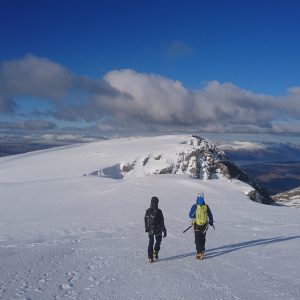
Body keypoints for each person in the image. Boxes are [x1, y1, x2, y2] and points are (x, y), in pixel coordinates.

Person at [189, 192, 214, 260]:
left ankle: (201, 250)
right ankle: (199, 251)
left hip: (201, 225)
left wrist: (211, 221)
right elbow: (210, 215)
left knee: (200, 238)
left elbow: (190, 215)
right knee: (200, 238)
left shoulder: (198, 206)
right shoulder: (199, 206)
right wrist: (211, 222)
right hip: (201, 225)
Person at [144, 196, 167, 263]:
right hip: (154, 229)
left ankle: (153, 255)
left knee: (154, 242)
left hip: (154, 229)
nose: (155, 203)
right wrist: (164, 230)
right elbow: (146, 220)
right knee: (154, 242)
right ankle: (153, 255)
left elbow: (161, 221)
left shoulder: (154, 211)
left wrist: (146, 227)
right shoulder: (154, 211)